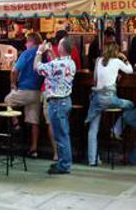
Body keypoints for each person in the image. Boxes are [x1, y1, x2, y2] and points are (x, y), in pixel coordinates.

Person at [85, 43, 133, 166]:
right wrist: (124, 58)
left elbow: (95, 79)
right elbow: (130, 70)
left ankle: (92, 160)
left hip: (96, 99)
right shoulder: (117, 61)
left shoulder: (98, 60)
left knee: (93, 129)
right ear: (116, 52)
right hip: (111, 99)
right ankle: (116, 129)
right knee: (131, 105)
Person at [34, 37, 76, 174]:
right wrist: (51, 52)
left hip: (56, 102)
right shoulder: (70, 63)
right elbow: (56, 66)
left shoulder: (56, 65)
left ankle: (64, 165)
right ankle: (64, 162)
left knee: (60, 135)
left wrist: (39, 52)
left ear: (62, 48)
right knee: (64, 133)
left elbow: (37, 67)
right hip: (66, 100)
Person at [5, 32, 45, 159]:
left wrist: (12, 85)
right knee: (34, 121)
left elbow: (14, 71)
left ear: (31, 42)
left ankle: (16, 123)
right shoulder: (43, 55)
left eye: (26, 42)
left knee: (8, 100)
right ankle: (34, 149)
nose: (25, 44)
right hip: (37, 92)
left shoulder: (26, 53)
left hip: (24, 90)